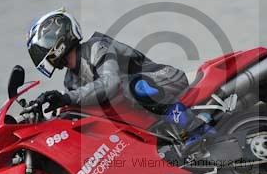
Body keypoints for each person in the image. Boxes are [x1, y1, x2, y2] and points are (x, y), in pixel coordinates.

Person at [26, 8, 211, 151]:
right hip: (139, 112)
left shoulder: (97, 47)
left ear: (58, 37)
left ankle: (194, 127)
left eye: (42, 47)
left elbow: (111, 84)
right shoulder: (70, 81)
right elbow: (77, 111)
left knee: (131, 87)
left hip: (164, 80)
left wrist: (66, 98)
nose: (41, 54)